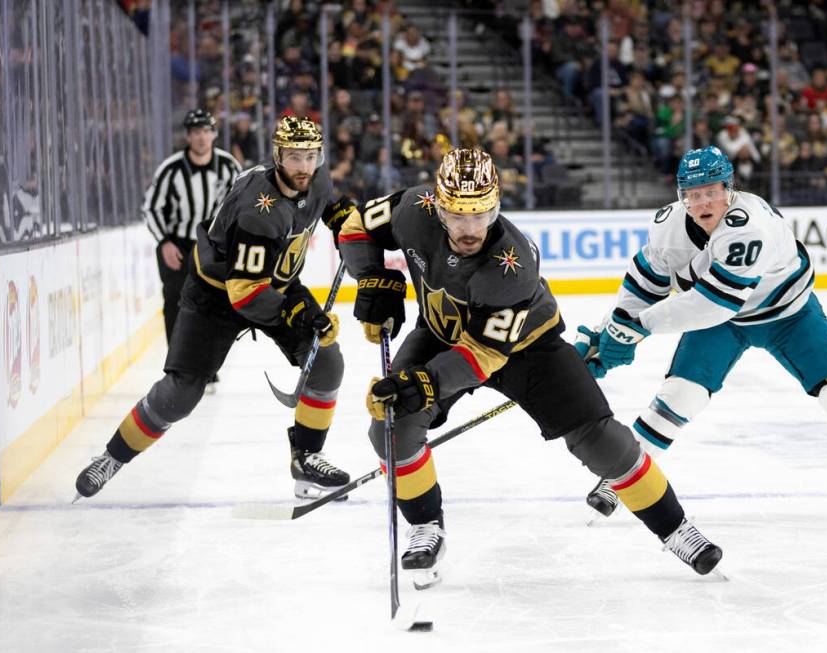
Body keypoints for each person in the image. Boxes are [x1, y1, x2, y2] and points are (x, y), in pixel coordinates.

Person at [337, 148, 724, 588]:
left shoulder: (512, 263)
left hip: (525, 346)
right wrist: (372, 277)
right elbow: (354, 227)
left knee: (600, 441)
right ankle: (426, 526)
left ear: (497, 206)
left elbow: (484, 356)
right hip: (443, 332)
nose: (469, 229)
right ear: (437, 206)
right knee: (391, 425)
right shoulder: (413, 208)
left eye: (480, 215)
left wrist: (424, 383)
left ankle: (676, 529)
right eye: (457, 216)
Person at [578, 146, 827, 522]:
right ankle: (623, 477)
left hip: (787, 315)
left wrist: (636, 330)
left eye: (712, 192)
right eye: (694, 194)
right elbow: (642, 288)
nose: (704, 202)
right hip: (724, 322)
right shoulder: (667, 226)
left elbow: (713, 304)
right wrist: (604, 332)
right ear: (681, 197)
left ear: (729, 189)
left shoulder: (748, 225)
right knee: (678, 396)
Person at [74, 116, 354, 502]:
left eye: (310, 157)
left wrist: (348, 224)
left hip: (272, 282)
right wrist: (302, 314)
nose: (304, 167)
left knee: (326, 360)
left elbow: (329, 206)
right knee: (182, 393)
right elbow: (244, 294)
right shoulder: (261, 210)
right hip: (217, 295)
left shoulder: (316, 177)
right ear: (278, 156)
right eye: (294, 157)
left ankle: (306, 460)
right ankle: (112, 457)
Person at [142, 109, 241, 394]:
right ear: (188, 136)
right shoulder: (171, 169)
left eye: (205, 130)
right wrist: (164, 242)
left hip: (212, 246)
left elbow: (239, 206)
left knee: (212, 306)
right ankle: (180, 368)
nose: (201, 137)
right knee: (175, 303)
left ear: (214, 133)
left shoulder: (229, 166)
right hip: (179, 246)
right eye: (195, 132)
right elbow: (151, 207)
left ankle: (206, 367)